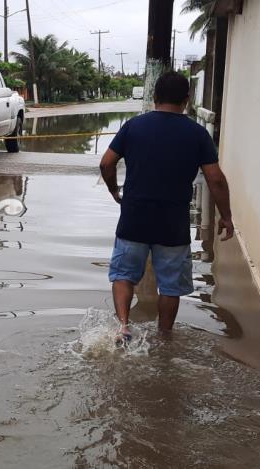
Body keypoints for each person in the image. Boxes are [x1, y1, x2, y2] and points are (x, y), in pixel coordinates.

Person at [99, 71, 234, 342]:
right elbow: (215, 179)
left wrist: (115, 190)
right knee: (170, 286)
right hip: (173, 223)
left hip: (134, 217)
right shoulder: (197, 134)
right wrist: (226, 216)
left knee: (124, 276)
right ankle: (164, 336)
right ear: (186, 100)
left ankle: (123, 326)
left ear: (154, 97)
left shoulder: (133, 127)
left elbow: (106, 163)